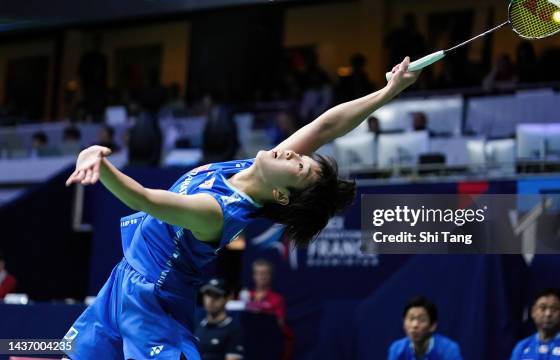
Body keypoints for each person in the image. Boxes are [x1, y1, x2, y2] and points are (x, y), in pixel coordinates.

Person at [61, 57, 420, 359]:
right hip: (123, 279)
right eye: (302, 157)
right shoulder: (248, 170)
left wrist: (97, 161)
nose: (293, 152)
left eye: (298, 167)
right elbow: (326, 126)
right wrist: (389, 91)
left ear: (282, 195)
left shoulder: (219, 213)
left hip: (153, 302)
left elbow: (145, 198)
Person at [510, 288, 560, 360]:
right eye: (543, 308)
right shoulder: (522, 346)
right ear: (533, 312)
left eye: (554, 309)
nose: (548, 314)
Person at [388, 296, 463, 360]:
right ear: (403, 323)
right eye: (411, 319)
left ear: (433, 326)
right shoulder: (396, 349)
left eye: (422, 320)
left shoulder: (449, 349)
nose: (415, 325)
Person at [195, 278, 244, 360]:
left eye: (216, 295)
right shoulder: (197, 325)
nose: (211, 300)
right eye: (208, 294)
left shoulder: (233, 330)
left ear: (227, 298)